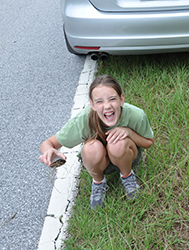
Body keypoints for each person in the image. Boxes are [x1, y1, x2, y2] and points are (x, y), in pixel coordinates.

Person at [39, 75, 154, 209]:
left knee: (117, 143)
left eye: (112, 99)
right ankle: (99, 183)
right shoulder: (84, 119)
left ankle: (127, 176)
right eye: (99, 102)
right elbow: (48, 143)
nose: (107, 106)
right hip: (98, 162)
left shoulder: (136, 115)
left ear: (121, 99)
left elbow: (149, 142)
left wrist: (129, 133)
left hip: (126, 156)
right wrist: (48, 151)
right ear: (92, 105)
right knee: (90, 147)